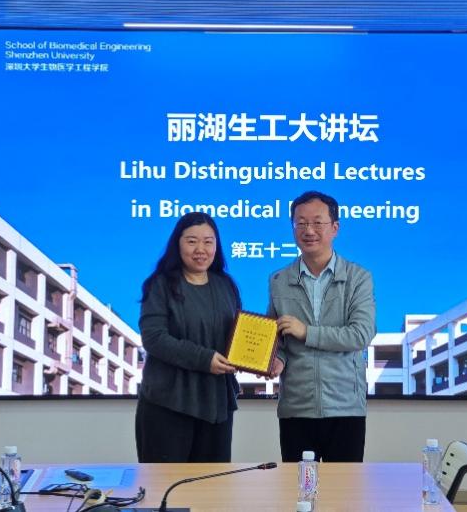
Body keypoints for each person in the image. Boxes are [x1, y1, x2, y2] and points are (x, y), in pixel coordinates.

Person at [267, 190, 376, 462]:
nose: (308, 230)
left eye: (317, 222)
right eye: (301, 223)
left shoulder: (358, 278)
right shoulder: (279, 280)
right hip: (296, 407)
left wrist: (307, 332)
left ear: (335, 228)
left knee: (344, 487)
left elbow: (361, 334)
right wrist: (276, 359)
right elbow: (278, 337)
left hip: (345, 407)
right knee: (298, 486)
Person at [135, 212, 242, 463]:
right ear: (178, 244)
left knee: (213, 484)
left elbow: (238, 335)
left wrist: (255, 357)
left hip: (216, 405)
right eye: (192, 241)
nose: (200, 249)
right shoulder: (160, 284)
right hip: (168, 403)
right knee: (165, 485)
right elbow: (153, 337)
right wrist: (204, 359)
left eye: (208, 242)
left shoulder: (226, 285)